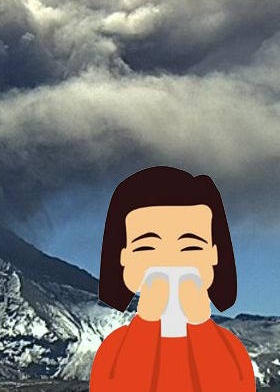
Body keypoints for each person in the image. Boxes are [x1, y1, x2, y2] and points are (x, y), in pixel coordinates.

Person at [91, 166, 255, 391]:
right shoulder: (114, 349)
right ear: (123, 258)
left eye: (190, 246)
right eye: (147, 246)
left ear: (214, 255)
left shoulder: (230, 349)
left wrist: (201, 329)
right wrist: (146, 326)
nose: (170, 260)